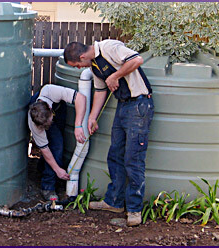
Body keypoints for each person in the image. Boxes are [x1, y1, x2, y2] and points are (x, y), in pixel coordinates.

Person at [63, 40, 154, 227]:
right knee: (115, 156)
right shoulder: (95, 67)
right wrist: (92, 117)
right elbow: (100, 91)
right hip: (123, 105)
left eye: (78, 65)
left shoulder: (109, 48)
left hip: (139, 104)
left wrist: (116, 76)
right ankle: (114, 202)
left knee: (133, 159)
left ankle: (135, 210)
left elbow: (137, 59)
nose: (80, 68)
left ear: (81, 57)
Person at [28, 84, 86, 202]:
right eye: (44, 126)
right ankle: (48, 187)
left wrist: (78, 125)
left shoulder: (51, 91)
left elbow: (81, 98)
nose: (47, 126)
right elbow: (45, 149)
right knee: (56, 147)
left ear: (50, 110)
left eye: (48, 123)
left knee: (57, 142)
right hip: (46, 114)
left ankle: (42, 168)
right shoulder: (35, 122)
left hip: (59, 108)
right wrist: (57, 170)